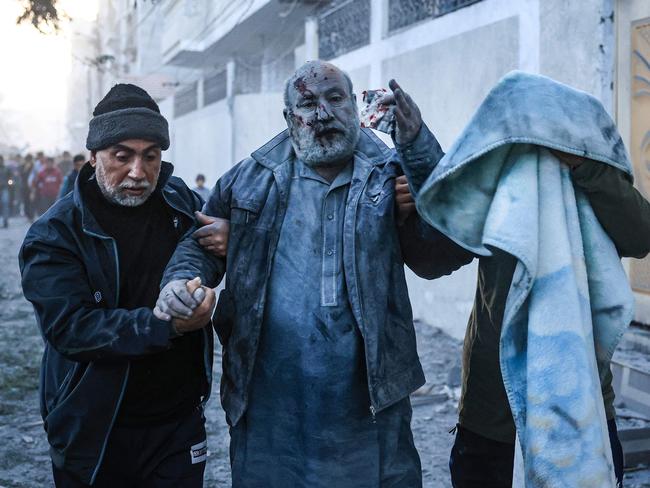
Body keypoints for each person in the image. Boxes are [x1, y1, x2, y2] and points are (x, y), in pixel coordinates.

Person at [156, 60, 469, 487]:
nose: (322, 113)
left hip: (369, 402)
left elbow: (442, 257)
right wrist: (180, 283)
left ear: (355, 106)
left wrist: (418, 149)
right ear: (289, 118)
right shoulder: (251, 178)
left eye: (335, 98)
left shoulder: (392, 171)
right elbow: (199, 244)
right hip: (268, 399)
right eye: (307, 103)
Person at [19, 84, 216, 487]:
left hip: (177, 423)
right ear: (93, 157)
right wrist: (167, 325)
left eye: (151, 156)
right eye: (121, 156)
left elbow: (206, 246)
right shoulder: (54, 235)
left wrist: (224, 239)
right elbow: (71, 329)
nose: (138, 172)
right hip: (96, 428)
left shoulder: (178, 200)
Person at [20, 154, 35, 221]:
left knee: (32, 202)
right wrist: (25, 169)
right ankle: (27, 215)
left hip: (33, 187)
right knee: (26, 202)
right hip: (25, 187)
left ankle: (31, 216)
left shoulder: (34, 167)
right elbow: (21, 176)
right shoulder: (22, 166)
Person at [0, 156, 11, 227]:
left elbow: (10, 178)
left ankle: (5, 221)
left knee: (5, 204)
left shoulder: (6, 169)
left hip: (4, 188)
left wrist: (9, 184)